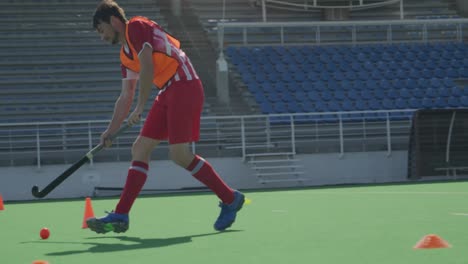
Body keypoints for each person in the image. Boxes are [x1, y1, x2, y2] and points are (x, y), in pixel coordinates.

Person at [86, 0, 245, 234]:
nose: (101, 37)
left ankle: (230, 198)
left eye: (101, 30)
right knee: (140, 148)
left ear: (113, 21)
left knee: (179, 155)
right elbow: (125, 94)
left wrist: (140, 107)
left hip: (185, 84)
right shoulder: (125, 55)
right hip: (168, 91)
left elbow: (148, 65)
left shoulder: (137, 26)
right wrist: (111, 130)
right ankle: (121, 215)